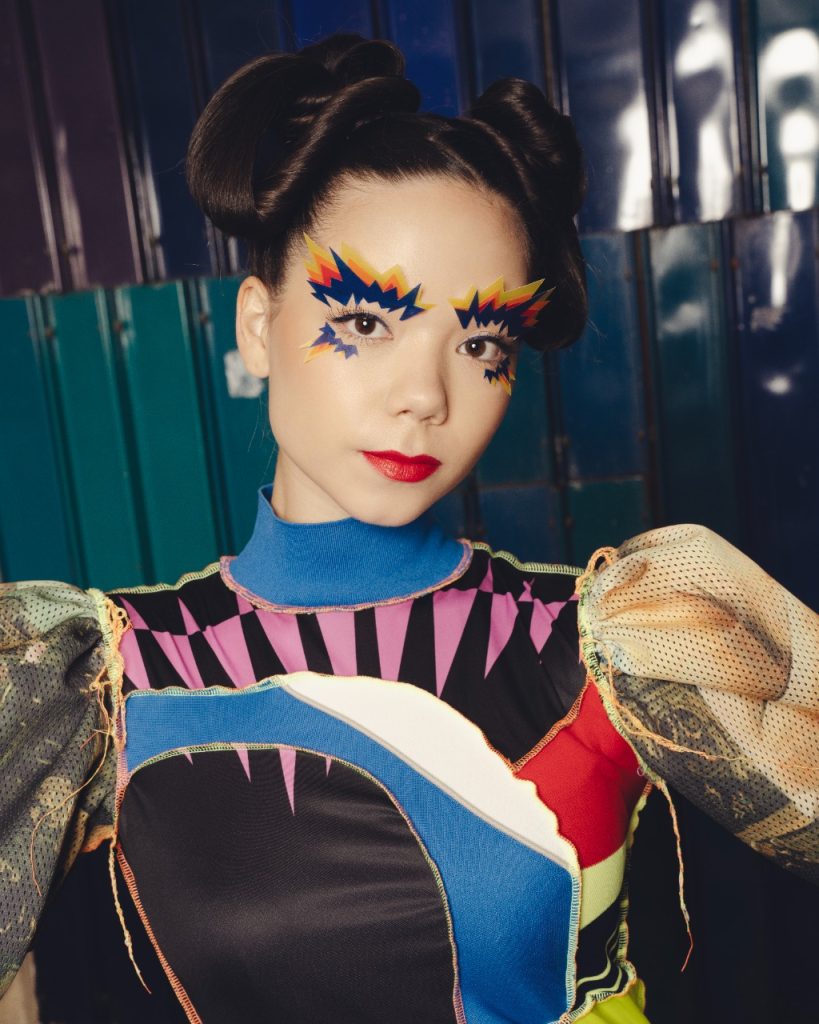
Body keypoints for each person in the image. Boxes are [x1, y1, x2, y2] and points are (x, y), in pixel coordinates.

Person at [1, 32, 816, 1024]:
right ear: (258, 327)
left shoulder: (616, 643)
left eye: (480, 343)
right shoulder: (102, 681)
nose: (425, 396)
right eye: (365, 322)